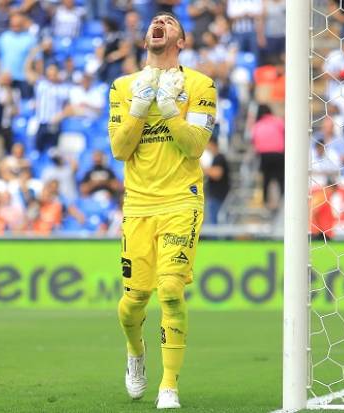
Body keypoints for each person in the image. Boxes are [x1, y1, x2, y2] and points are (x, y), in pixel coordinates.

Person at [108, 12, 217, 409]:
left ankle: (168, 384)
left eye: (170, 22)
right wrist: (140, 107)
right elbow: (120, 150)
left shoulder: (200, 84)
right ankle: (135, 354)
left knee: (170, 289)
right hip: (138, 203)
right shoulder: (122, 86)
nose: (161, 23)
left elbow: (195, 147)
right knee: (133, 301)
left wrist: (169, 107)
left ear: (181, 40)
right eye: (156, 21)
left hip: (181, 199)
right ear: (144, 40)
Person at [201, 136, 230, 225]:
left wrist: (201, 169)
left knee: (215, 221)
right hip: (215, 195)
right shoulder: (214, 158)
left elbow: (217, 174)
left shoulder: (219, 158)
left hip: (219, 196)